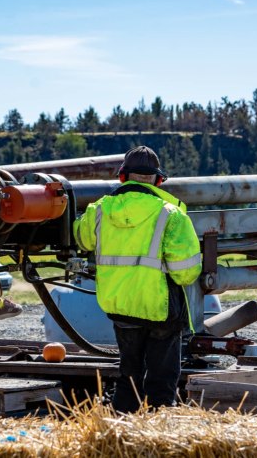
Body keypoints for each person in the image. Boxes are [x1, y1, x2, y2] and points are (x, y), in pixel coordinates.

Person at [73, 146, 202, 413]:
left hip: (121, 306)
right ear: (158, 180)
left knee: (129, 372)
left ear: (122, 177)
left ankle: (123, 426)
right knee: (162, 378)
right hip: (160, 309)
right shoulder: (171, 214)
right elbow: (186, 272)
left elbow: (82, 239)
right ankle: (158, 424)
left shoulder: (99, 210)